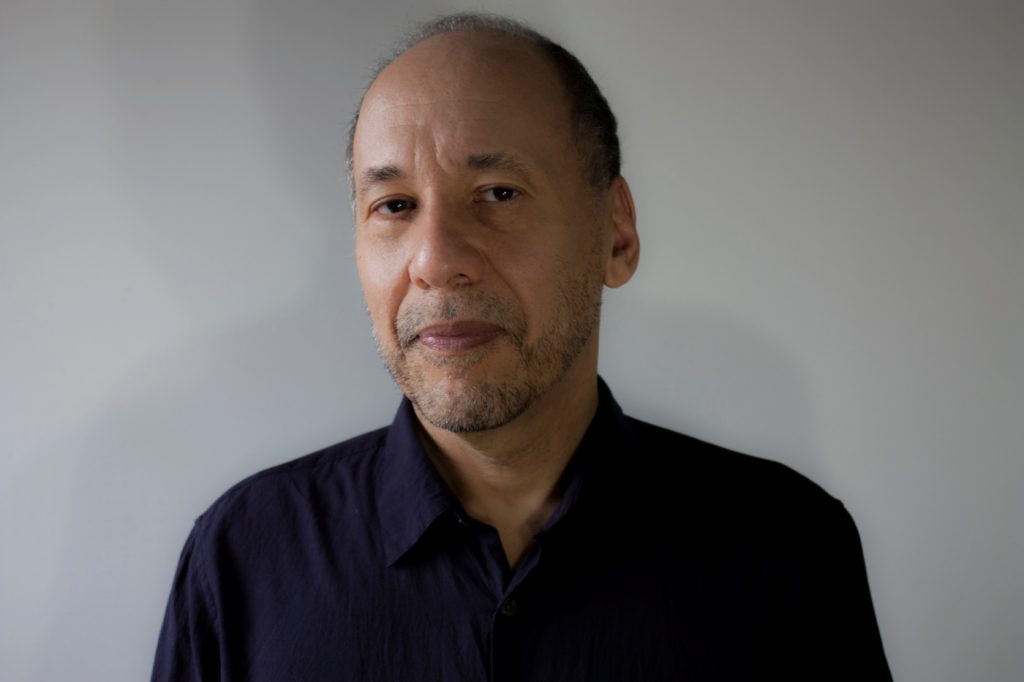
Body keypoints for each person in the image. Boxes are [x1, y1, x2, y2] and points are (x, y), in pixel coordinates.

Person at [152, 13, 891, 681]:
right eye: (395, 206)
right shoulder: (243, 557)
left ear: (616, 233)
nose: (435, 260)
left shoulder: (789, 551)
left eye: (499, 193)